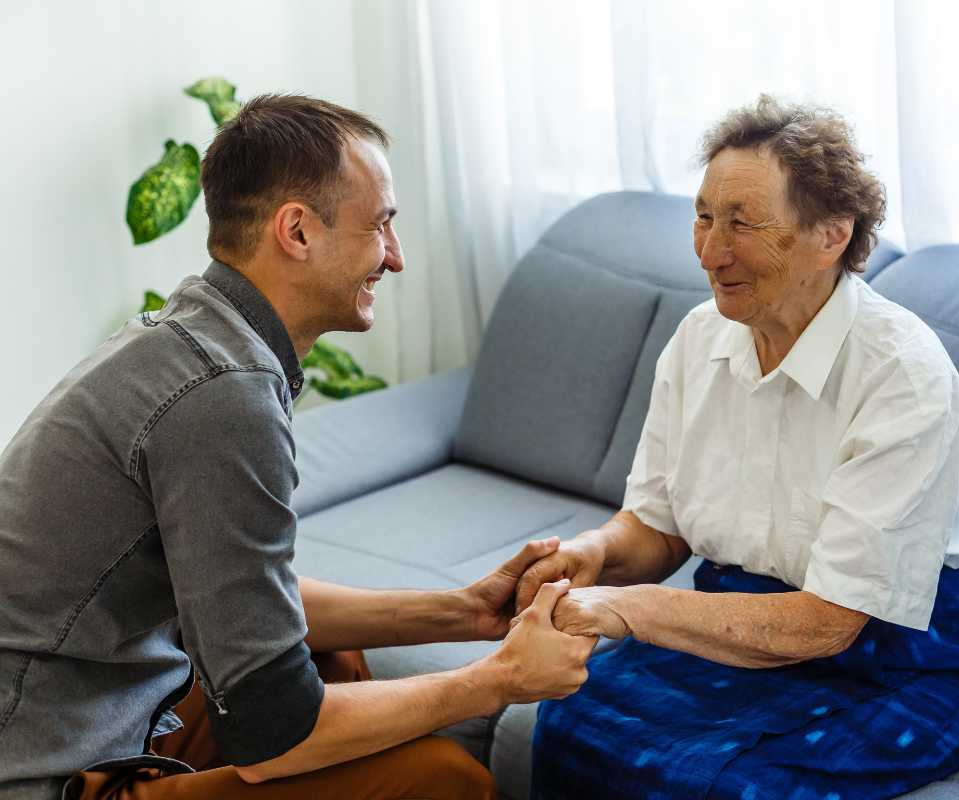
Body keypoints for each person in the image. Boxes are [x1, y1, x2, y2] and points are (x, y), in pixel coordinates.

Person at [0, 95, 593, 800]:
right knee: (444, 781)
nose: (395, 258)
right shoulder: (224, 393)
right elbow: (275, 733)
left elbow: (251, 602)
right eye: (381, 226)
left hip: (93, 702)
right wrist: (501, 679)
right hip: (41, 771)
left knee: (329, 656)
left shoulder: (195, 337)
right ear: (298, 231)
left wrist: (462, 611)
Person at [516, 96, 959, 800]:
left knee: (742, 787)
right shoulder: (698, 338)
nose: (710, 251)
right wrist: (589, 557)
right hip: (736, 621)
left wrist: (621, 608)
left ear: (831, 235)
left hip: (903, 651)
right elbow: (658, 527)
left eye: (742, 223)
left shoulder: (902, 374)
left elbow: (828, 622)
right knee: (571, 718)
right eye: (703, 217)